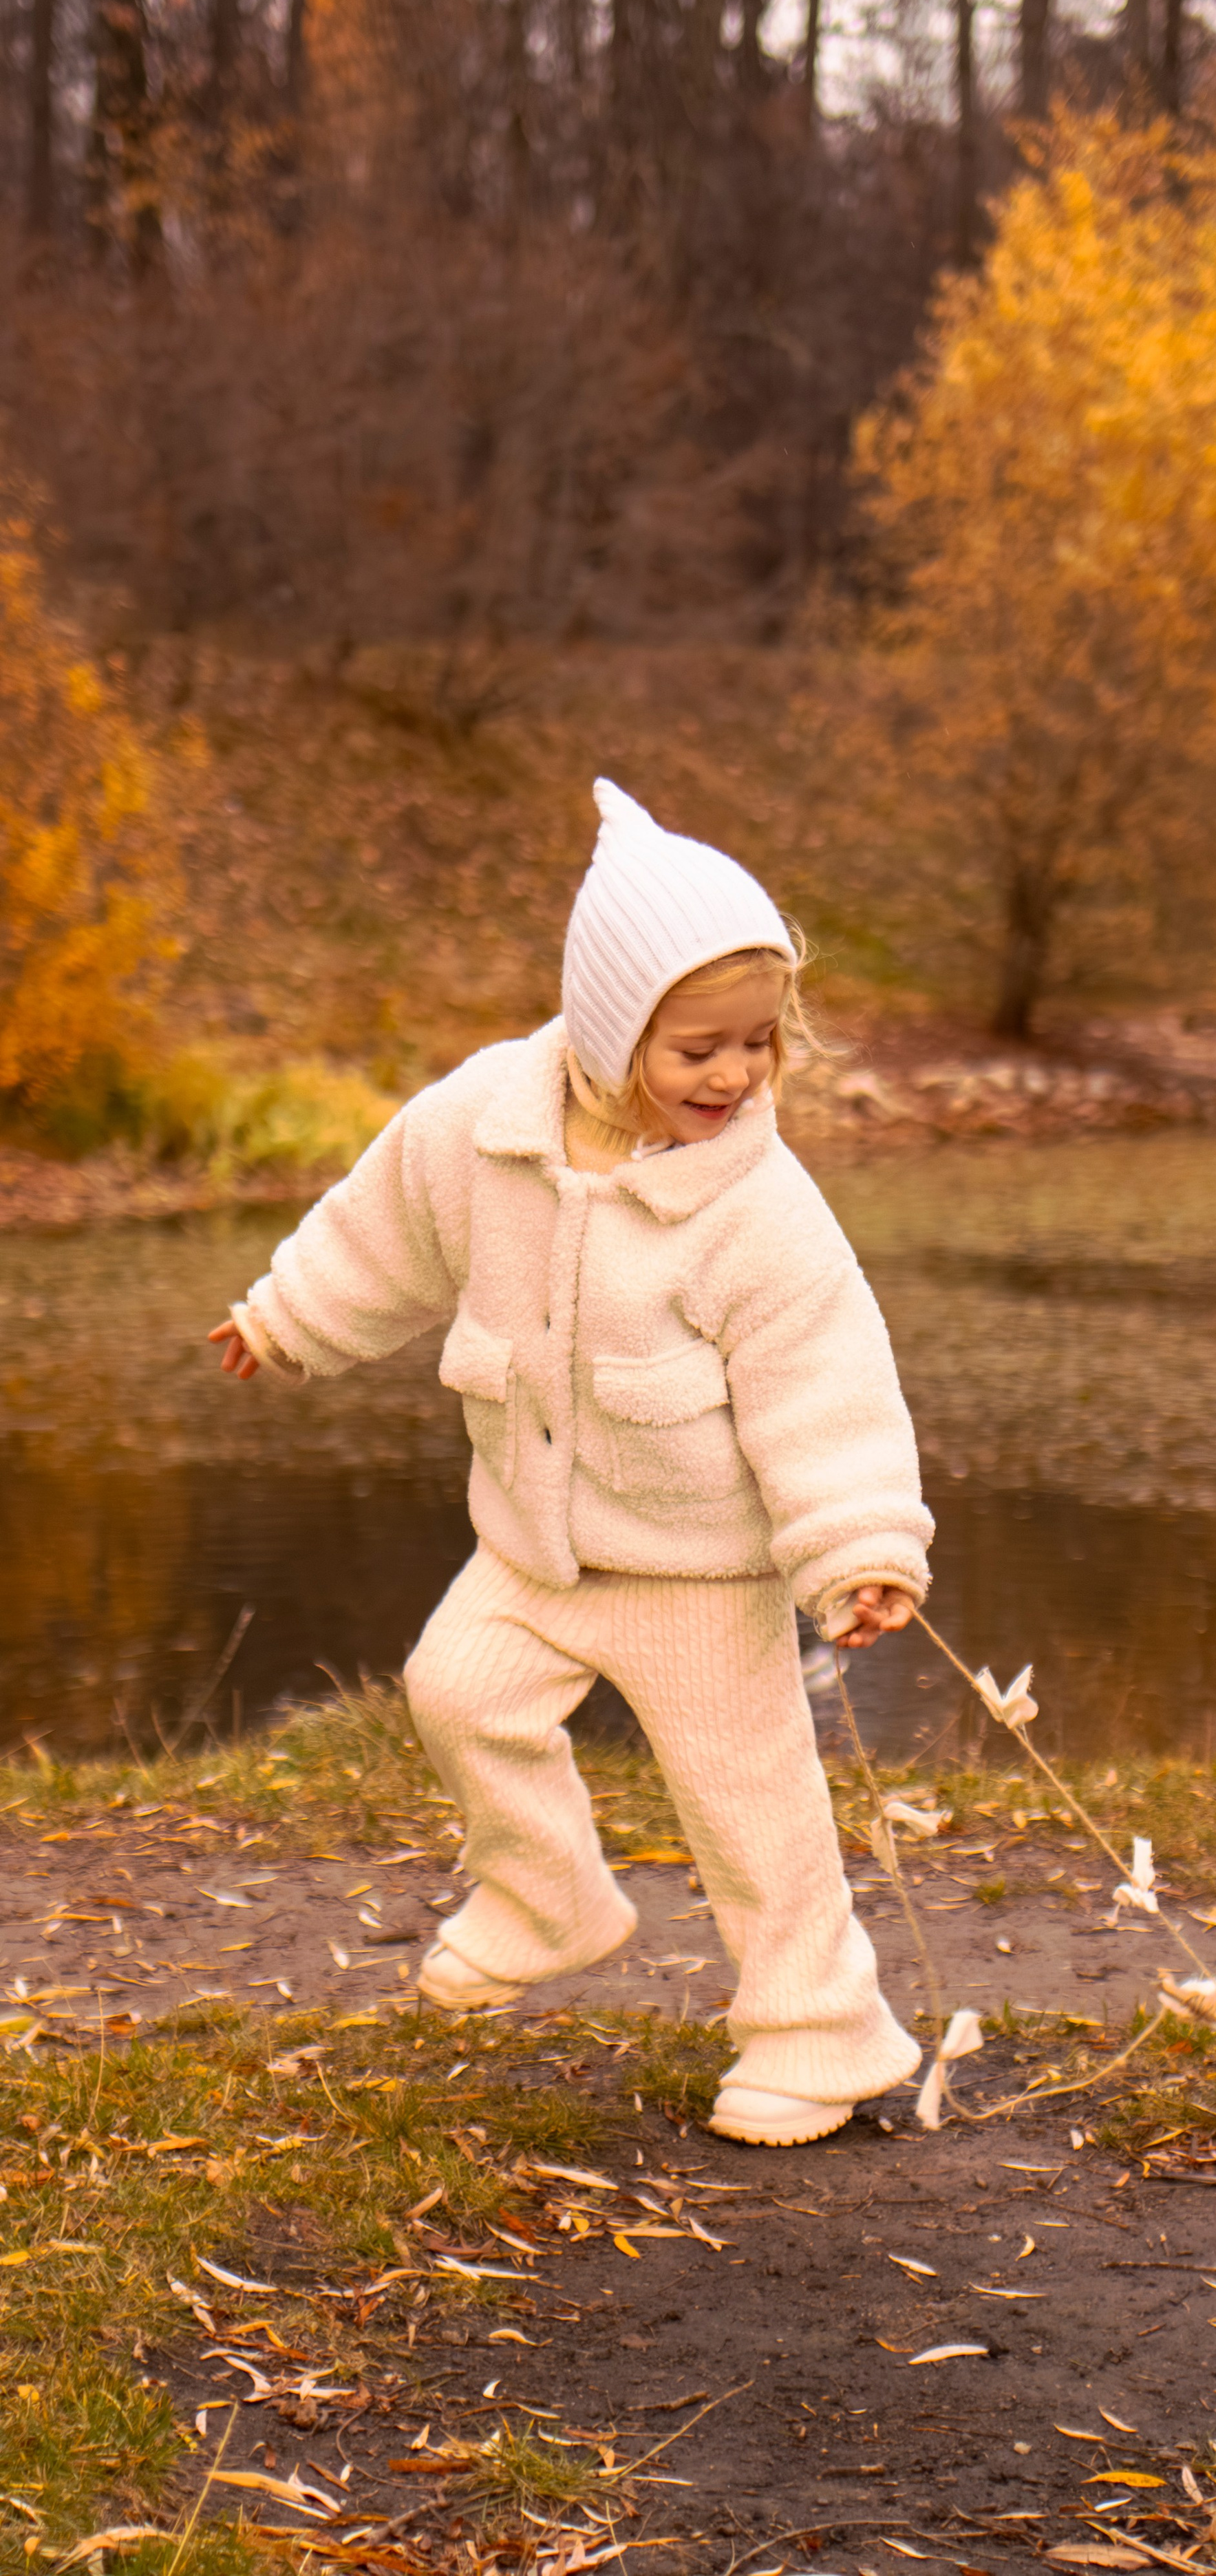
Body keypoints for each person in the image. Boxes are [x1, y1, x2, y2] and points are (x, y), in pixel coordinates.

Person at [208, 779, 932, 2147]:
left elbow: (824, 1382)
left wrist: (857, 1550)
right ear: (608, 1030)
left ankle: (817, 2034)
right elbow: (384, 1228)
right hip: (532, 1544)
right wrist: (285, 1318)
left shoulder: (758, 1212)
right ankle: (550, 1897)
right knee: (457, 1691)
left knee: (750, 1810)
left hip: (697, 1570)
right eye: (697, 1048)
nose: (732, 1077)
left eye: (758, 1046)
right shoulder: (483, 1123)